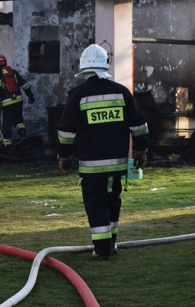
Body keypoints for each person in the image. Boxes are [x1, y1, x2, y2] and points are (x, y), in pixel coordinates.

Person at [56, 44, 149, 261]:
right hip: (117, 164)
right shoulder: (121, 92)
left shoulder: (78, 95)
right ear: (105, 66)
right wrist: (140, 150)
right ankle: (111, 243)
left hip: (91, 166)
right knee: (112, 201)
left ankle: (102, 249)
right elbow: (139, 124)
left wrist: (64, 157)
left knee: (96, 204)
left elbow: (65, 131)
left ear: (84, 69)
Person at [0, 54, 35, 149]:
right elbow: (24, 84)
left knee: (7, 124)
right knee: (18, 119)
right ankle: (22, 134)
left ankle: (7, 146)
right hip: (19, 100)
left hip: (7, 103)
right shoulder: (13, 72)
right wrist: (30, 95)